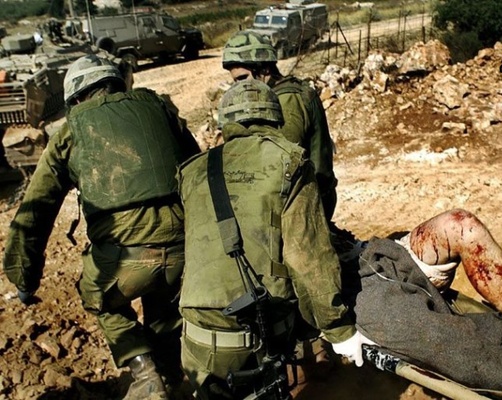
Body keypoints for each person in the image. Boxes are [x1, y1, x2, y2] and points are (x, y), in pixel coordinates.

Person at [3, 54, 200, 399]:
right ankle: (170, 376)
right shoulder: (162, 111)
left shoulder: (70, 133)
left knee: (99, 295)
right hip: (182, 249)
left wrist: (24, 276)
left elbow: (37, 209)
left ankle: (144, 371)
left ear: (76, 99)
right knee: (166, 307)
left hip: (124, 261)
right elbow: (199, 169)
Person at [176, 79, 369, 399]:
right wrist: (339, 329)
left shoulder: (191, 170)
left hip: (197, 337)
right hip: (262, 334)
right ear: (275, 118)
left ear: (225, 124)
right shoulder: (291, 162)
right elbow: (308, 259)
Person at [334, 208, 502, 399]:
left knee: (460, 225)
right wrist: (336, 327)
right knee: (456, 349)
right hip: (342, 290)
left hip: (368, 255)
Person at [221, 30, 338, 223]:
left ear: (264, 70)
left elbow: (281, 164)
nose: (238, 87)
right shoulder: (277, 94)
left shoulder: (286, 100)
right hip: (303, 198)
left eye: (242, 79)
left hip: (309, 204)